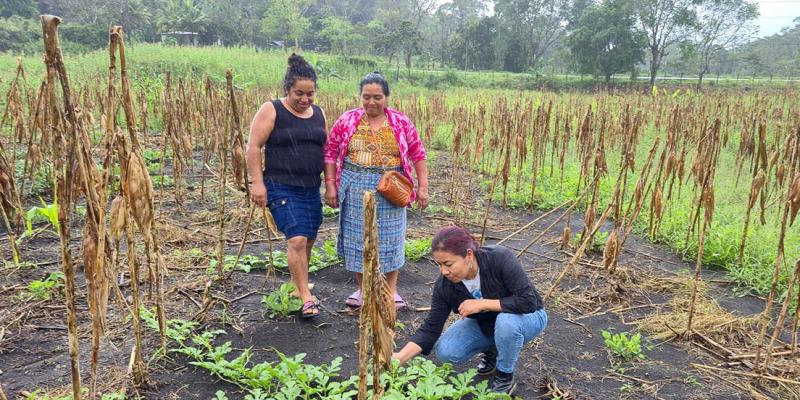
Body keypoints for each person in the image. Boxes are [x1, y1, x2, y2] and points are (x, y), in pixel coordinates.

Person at [392, 226, 548, 395]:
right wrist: (400, 357)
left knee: (506, 323)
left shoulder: (499, 258)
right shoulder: (445, 286)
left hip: (527, 317)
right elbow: (431, 328)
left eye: (448, 264)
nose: (444, 271)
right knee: (446, 351)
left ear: (469, 255)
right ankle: (493, 351)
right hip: (488, 323)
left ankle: (504, 376)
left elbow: (528, 301)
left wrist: (482, 304)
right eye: (439, 264)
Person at [323, 72, 429, 310]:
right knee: (357, 240)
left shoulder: (401, 122)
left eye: (377, 97)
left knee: (391, 239)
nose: (371, 102)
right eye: (366, 96)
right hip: (354, 185)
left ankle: (390, 291)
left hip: (391, 187)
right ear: (360, 96)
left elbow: (418, 154)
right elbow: (330, 152)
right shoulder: (347, 120)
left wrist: (422, 187)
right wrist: (330, 185)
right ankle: (363, 290)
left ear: (387, 97)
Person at [246, 54, 326, 319]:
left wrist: (332, 185)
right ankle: (306, 297)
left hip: (311, 187)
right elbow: (254, 147)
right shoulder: (271, 110)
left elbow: (326, 151)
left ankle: (296, 287)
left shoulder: (319, 114)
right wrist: (257, 183)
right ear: (287, 90)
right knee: (297, 238)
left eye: (310, 94)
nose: (305, 99)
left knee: (309, 239)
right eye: (299, 94)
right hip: (281, 185)